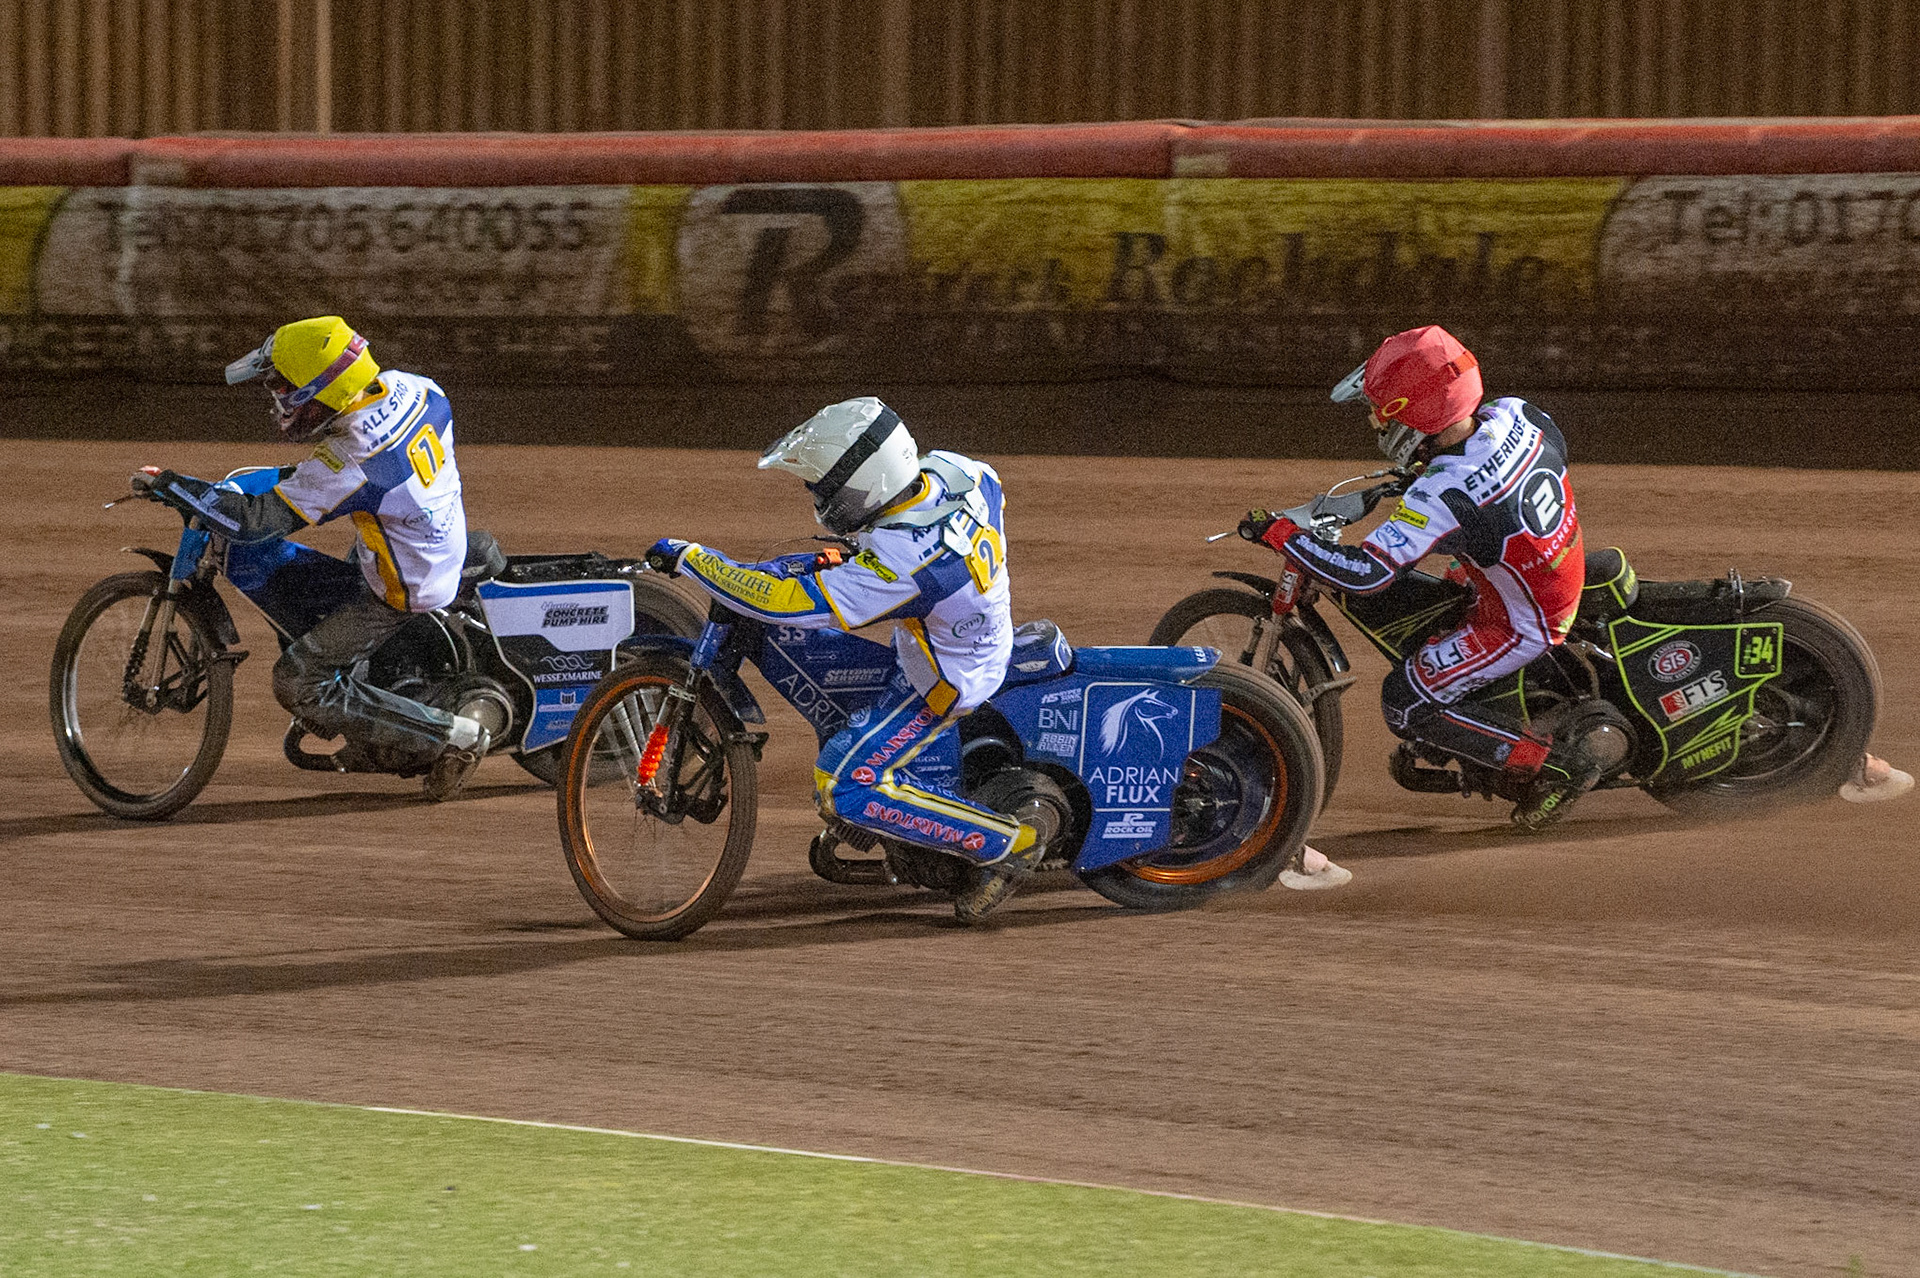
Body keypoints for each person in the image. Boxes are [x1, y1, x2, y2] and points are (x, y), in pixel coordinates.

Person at [647, 397, 1045, 922]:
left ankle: (1008, 844)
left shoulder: (905, 563)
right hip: (962, 634)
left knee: (842, 784)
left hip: (943, 683)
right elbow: (985, 490)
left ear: (866, 484)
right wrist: (869, 556)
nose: (817, 494)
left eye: (825, 486)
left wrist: (694, 557)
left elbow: (783, 602)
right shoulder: (955, 471)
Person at [1240, 325, 1595, 830]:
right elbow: (1539, 462)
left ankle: (1551, 768)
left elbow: (1366, 576)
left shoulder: (1441, 494)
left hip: (1522, 623)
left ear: (1414, 418)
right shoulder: (1519, 412)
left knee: (1403, 704)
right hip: (1554, 561)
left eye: (1382, 415)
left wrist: (1281, 535)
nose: (1374, 424)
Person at [132, 316, 488, 800]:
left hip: (404, 587)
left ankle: (454, 737)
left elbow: (253, 522)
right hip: (429, 536)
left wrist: (175, 486)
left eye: (282, 385)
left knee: (298, 682)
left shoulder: (351, 461)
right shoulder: (416, 387)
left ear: (321, 390)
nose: (275, 396)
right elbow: (345, 471)